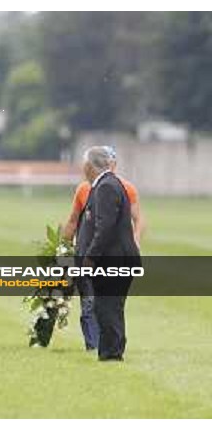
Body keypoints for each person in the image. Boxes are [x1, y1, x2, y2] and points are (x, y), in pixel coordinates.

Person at [62, 146, 143, 351]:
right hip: (104, 256)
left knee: (106, 306)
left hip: (107, 258)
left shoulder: (109, 187)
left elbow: (105, 227)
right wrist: (64, 247)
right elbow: (76, 221)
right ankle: (102, 348)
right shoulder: (91, 188)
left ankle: (109, 351)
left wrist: (91, 256)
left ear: (90, 166)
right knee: (100, 306)